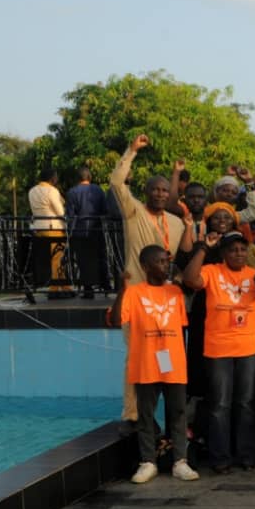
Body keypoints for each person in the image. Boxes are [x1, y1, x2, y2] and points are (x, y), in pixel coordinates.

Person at [110, 135, 187, 423]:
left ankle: (165, 416)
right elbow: (117, 183)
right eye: (154, 189)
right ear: (146, 191)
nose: (159, 194)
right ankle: (132, 415)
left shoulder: (177, 223)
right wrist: (131, 151)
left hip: (164, 301)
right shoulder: (133, 213)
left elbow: (177, 259)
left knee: (165, 355)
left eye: (164, 190)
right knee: (136, 355)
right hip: (135, 297)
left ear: (170, 194)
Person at [112, 245, 199, 484]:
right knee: (146, 414)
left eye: (166, 261)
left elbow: (180, 324)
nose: (165, 265)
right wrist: (121, 289)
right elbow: (116, 319)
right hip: (146, 362)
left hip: (173, 362)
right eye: (160, 261)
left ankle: (180, 461)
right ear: (146, 266)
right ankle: (148, 461)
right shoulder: (134, 292)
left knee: (178, 413)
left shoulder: (175, 292)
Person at [182, 231, 255, 474]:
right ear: (223, 253)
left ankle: (247, 455)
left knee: (246, 403)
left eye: (242, 249)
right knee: (219, 405)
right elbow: (190, 279)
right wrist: (203, 249)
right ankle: (220, 458)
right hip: (218, 348)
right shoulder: (212, 271)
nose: (238, 253)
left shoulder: (254, 275)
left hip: (249, 347)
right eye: (232, 249)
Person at [65, 167, 108, 298]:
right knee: (101, 257)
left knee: (83, 261)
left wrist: (69, 234)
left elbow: (71, 215)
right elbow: (104, 210)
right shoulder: (99, 190)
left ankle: (88, 289)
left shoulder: (72, 192)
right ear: (89, 177)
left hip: (80, 230)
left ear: (78, 178)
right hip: (97, 229)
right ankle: (105, 286)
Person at [29, 168, 71, 297]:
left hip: (38, 228)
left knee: (52, 259)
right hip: (53, 228)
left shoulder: (32, 191)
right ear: (52, 178)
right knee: (58, 258)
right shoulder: (52, 191)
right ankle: (55, 288)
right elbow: (60, 212)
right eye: (56, 177)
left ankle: (65, 286)